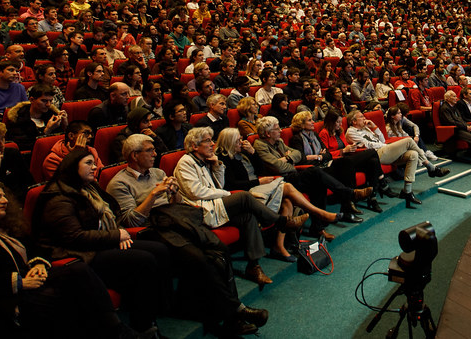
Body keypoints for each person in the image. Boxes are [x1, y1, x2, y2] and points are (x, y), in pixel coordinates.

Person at [105, 133, 269, 337]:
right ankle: (235, 313)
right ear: (134, 155)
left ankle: (232, 315)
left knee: (219, 251)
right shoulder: (119, 183)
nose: (155, 153)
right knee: (201, 259)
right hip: (153, 231)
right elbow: (131, 220)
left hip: (178, 221)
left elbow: (178, 204)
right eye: (150, 150)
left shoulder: (156, 173)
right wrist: (153, 195)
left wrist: (173, 193)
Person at [0, 181, 142, 339]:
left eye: (5, 196)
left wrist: (39, 263)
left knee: (77, 271)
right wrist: (18, 282)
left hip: (32, 282)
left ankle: (117, 330)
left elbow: (38, 248)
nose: (5, 200)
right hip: (3, 297)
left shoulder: (7, 228)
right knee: (65, 296)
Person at [33, 147, 170, 336]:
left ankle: (155, 314)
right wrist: (114, 237)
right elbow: (74, 237)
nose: (95, 167)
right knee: (144, 260)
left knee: (159, 249)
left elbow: (110, 215)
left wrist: (115, 234)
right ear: (73, 166)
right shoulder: (59, 197)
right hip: (78, 254)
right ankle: (143, 324)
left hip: (99, 242)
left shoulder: (88, 187)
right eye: (88, 163)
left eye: (95, 163)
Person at [174, 126, 307, 289]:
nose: (212, 144)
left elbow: (219, 184)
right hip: (199, 209)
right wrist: (226, 194)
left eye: (212, 140)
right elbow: (196, 192)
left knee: (248, 217)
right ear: (195, 146)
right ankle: (281, 221)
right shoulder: (185, 163)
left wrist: (217, 166)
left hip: (214, 204)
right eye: (208, 141)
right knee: (244, 197)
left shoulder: (207, 160)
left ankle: (253, 265)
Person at [218, 126, 345, 250]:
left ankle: (279, 245)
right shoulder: (224, 158)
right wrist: (259, 181)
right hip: (252, 190)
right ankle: (323, 212)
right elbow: (231, 185)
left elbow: (297, 155)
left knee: (301, 192)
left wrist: (253, 154)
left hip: (265, 183)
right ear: (230, 142)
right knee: (302, 179)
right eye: (238, 140)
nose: (242, 142)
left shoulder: (246, 152)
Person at [252, 115, 368, 220]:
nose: (280, 131)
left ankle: (318, 228)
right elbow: (278, 167)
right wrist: (290, 162)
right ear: (268, 133)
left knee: (334, 169)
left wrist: (287, 159)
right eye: (277, 129)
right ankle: (349, 194)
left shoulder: (279, 141)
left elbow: (298, 154)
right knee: (315, 172)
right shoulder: (260, 145)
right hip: (281, 180)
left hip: (296, 172)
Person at [345, 110, 430, 206]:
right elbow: (368, 145)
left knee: (413, 154)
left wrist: (374, 126)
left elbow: (382, 139)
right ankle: (429, 166)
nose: (364, 118)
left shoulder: (367, 128)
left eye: (364, 116)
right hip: (375, 154)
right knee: (409, 140)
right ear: (354, 121)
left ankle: (407, 191)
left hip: (384, 150)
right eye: (361, 117)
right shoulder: (351, 132)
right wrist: (385, 146)